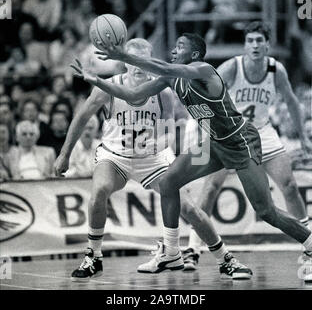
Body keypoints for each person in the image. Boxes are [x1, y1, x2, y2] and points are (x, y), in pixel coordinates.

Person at [83, 31, 312, 282]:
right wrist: (96, 80)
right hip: (213, 142)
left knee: (267, 211)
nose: (173, 49)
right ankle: (172, 251)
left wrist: (124, 55)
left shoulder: (204, 70)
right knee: (169, 181)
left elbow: (159, 66)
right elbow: (134, 95)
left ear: (193, 54)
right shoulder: (171, 79)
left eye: (179, 46)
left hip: (240, 141)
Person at [55, 38, 253, 282]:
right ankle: (93, 256)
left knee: (189, 208)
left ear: (149, 63)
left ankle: (226, 259)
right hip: (115, 155)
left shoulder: (163, 92)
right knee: (100, 191)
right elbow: (82, 117)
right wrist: (64, 153)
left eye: (143, 62)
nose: (138, 68)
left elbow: (169, 130)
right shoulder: (108, 87)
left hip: (152, 158)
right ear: (125, 64)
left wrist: (159, 143)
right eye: (134, 62)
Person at [183, 21, 312, 270]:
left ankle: (308, 245)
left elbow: (293, 102)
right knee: (211, 188)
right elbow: (202, 95)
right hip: (229, 132)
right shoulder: (232, 67)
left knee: (289, 184)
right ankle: (193, 248)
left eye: (259, 41)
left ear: (267, 45)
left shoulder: (276, 70)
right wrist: (202, 132)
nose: (254, 45)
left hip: (261, 131)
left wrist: (304, 138)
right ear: (244, 45)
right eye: (250, 41)